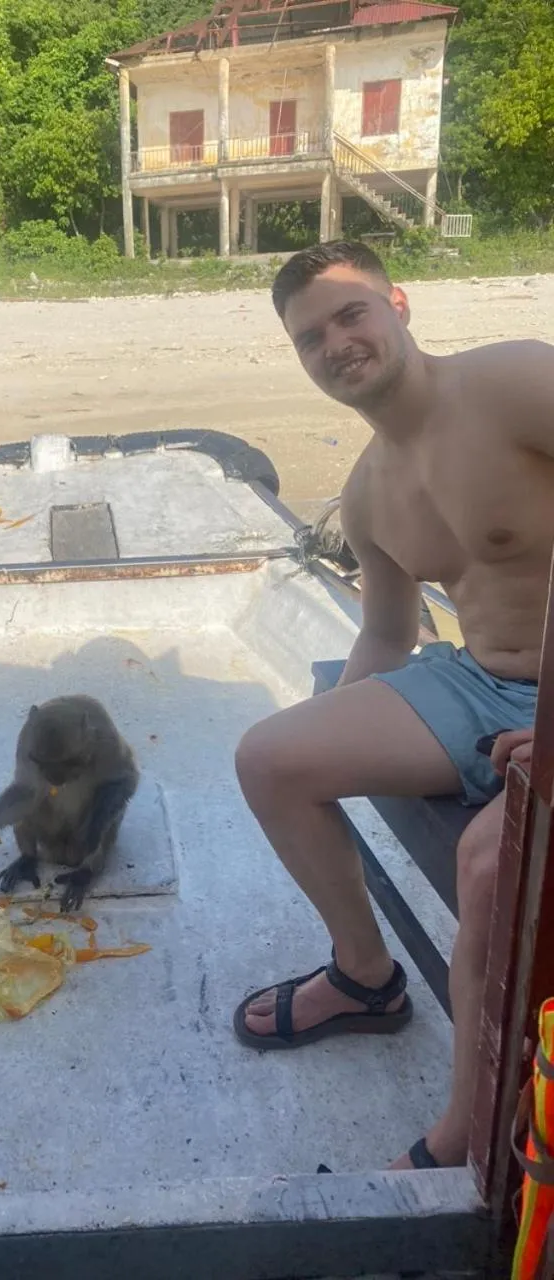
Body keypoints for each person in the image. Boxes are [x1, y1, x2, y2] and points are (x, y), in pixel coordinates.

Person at [231, 240, 550, 1171]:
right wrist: (324, 737)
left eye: (351, 314)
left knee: (495, 866)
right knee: (269, 759)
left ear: (399, 304)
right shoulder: (369, 490)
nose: (336, 343)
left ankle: (461, 1135)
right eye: (309, 337)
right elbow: (384, 637)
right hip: (480, 677)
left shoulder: (516, 380)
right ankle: (367, 977)